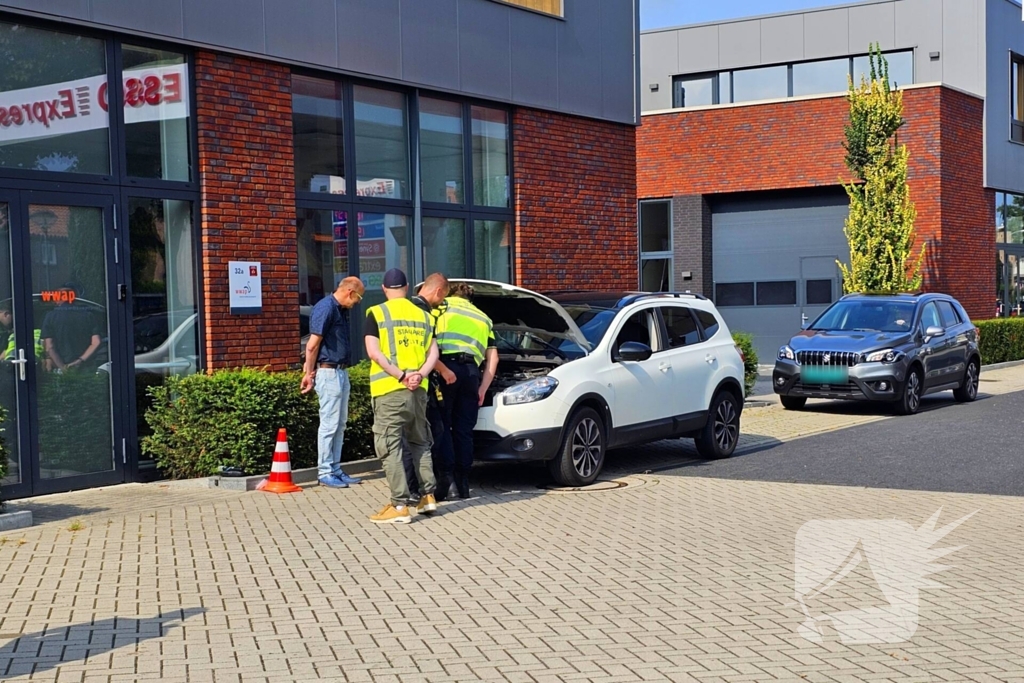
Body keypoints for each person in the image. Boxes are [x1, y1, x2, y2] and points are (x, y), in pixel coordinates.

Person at [364, 268, 440, 524]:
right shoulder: (424, 316)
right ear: (407, 288)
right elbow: (433, 355)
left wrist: (401, 375)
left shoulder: (377, 313)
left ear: (384, 289)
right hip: (419, 392)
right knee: (420, 442)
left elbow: (375, 353)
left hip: (390, 391)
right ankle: (427, 497)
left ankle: (398, 507)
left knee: (391, 447)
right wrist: (418, 375)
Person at [300, 276, 366, 489]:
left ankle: (335, 468)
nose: (358, 303)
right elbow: (312, 345)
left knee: (339, 423)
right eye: (359, 298)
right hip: (328, 372)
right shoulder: (326, 308)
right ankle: (326, 471)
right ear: (350, 292)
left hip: (340, 372)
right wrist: (309, 373)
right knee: (329, 424)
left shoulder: (339, 310)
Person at [434, 281, 499, 499]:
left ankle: (447, 481)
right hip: (472, 373)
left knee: (443, 427)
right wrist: (483, 388)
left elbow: (428, 342)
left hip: (446, 370)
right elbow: (493, 360)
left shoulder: (441, 307)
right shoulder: (484, 318)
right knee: (464, 431)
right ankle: (463, 485)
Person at [402, 273, 453, 501]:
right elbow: (427, 349)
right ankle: (419, 489)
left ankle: (414, 489)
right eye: (443, 298)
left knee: (412, 436)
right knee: (423, 437)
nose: (441, 303)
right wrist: (442, 370)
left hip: (406, 379)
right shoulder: (422, 314)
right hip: (418, 383)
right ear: (438, 292)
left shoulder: (406, 308)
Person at [40, 283, 102, 373]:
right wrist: (80, 361)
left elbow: (49, 347)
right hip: (86, 366)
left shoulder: (50, 316)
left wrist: (62, 367)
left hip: (60, 366)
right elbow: (97, 342)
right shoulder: (88, 315)